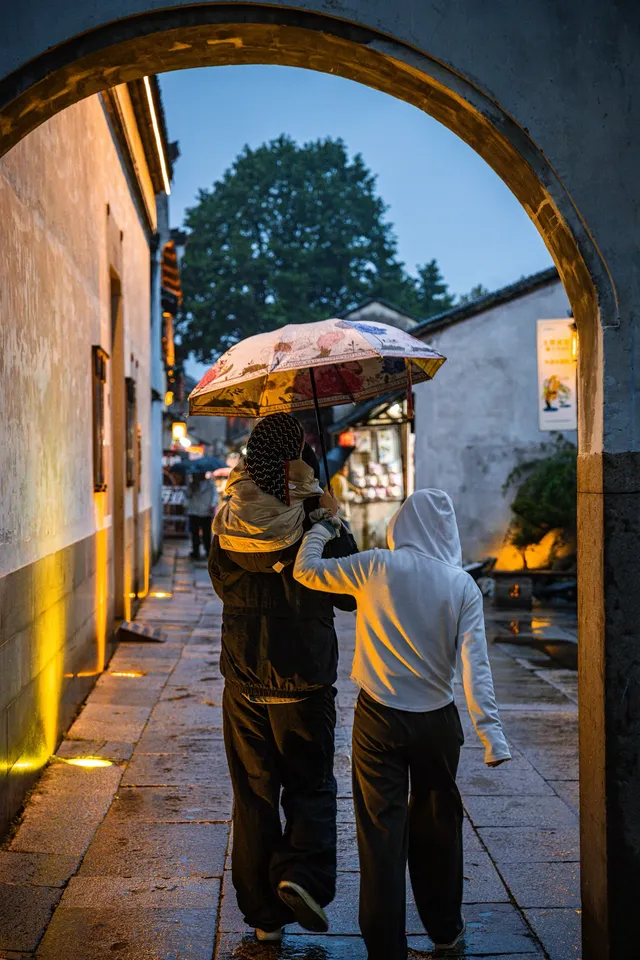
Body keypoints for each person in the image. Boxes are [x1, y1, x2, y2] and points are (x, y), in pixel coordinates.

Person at [293, 488, 511, 960]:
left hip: (378, 720)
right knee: (439, 829)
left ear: (400, 524)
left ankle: (384, 947)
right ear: (447, 531)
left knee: (380, 835)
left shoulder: (375, 565)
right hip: (438, 723)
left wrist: (321, 529)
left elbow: (306, 571)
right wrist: (490, 735)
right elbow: (476, 666)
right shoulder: (461, 585)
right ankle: (446, 933)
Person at [208, 413, 353, 945]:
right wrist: (331, 520)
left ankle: (264, 917)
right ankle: (301, 875)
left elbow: (223, 585)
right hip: (304, 676)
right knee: (311, 784)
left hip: (244, 676)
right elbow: (346, 591)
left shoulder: (230, 512)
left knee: (253, 793)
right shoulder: (314, 511)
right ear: (298, 454)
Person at [184, 470, 218, 560]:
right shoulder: (193, 484)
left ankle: (206, 551)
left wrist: (213, 504)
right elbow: (187, 494)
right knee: (195, 533)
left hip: (204, 512)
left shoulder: (210, 484)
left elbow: (215, 495)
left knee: (205, 534)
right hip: (195, 511)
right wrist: (191, 486)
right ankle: (197, 552)